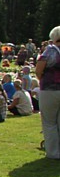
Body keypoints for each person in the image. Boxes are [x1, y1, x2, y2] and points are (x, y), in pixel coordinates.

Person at [36, 26, 60, 160]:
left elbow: (39, 70)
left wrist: (42, 80)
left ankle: (53, 152)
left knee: (49, 122)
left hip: (50, 89)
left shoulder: (50, 51)